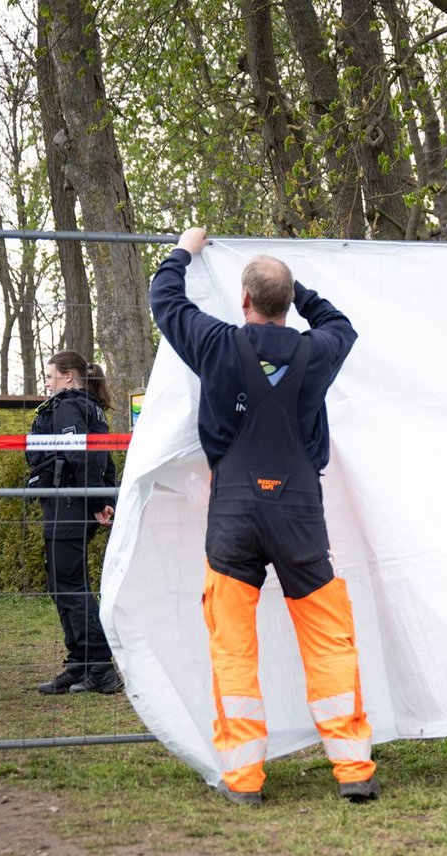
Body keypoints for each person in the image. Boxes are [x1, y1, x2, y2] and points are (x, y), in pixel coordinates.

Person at [150, 226, 376, 805]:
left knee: (233, 646)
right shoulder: (318, 349)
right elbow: (341, 325)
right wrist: (299, 293)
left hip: (234, 514)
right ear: (285, 301)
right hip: (300, 513)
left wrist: (186, 249)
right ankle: (354, 771)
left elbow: (165, 299)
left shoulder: (217, 343)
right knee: (329, 640)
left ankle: (245, 780)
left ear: (245, 302)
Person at [27, 351, 122, 695]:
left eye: (50, 375)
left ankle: (99, 667)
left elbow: (80, 455)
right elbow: (102, 457)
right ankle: (80, 663)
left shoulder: (69, 405)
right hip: (69, 501)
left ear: (69, 376)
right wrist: (104, 497)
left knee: (69, 584)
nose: (47, 383)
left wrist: (98, 501)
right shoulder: (87, 406)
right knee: (62, 583)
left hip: (69, 502)